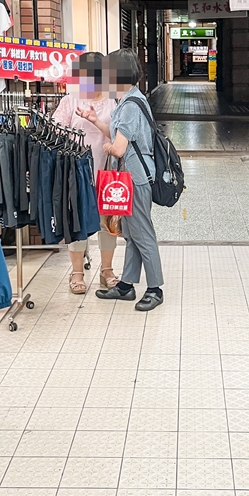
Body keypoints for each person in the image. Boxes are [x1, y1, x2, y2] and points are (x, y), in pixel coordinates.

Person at [80, 50, 165, 312]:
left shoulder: (129, 105)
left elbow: (118, 148)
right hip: (129, 177)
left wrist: (106, 148)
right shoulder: (129, 99)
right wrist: (95, 121)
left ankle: (155, 288)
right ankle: (127, 285)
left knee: (142, 233)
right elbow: (120, 135)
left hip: (136, 177)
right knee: (130, 233)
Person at [52, 52, 119, 294]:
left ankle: (107, 270)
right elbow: (55, 133)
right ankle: (77, 272)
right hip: (76, 173)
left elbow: (120, 137)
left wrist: (96, 122)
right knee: (77, 220)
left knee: (107, 223)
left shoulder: (113, 102)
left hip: (106, 171)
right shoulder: (70, 101)